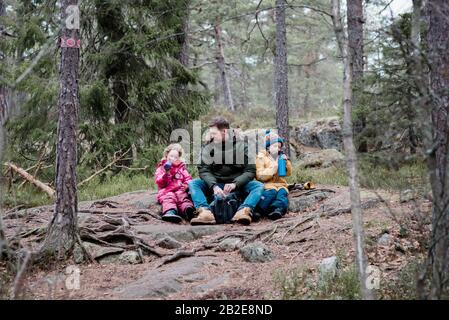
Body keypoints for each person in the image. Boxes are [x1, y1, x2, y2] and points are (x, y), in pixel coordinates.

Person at [188, 116, 264, 225]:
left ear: (224, 131)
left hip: (237, 185)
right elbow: (203, 169)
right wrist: (214, 186)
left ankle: (243, 212)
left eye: (214, 133)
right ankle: (205, 213)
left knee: (258, 186)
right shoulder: (208, 146)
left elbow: (250, 170)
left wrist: (235, 184)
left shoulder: (242, 145)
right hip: (215, 185)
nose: (211, 136)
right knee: (193, 183)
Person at [154, 143, 195, 223]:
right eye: (171, 156)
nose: (173, 159)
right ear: (167, 155)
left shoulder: (181, 168)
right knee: (169, 198)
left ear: (179, 158)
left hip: (179, 189)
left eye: (176, 157)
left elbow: (188, 178)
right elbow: (159, 182)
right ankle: (170, 212)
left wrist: (187, 185)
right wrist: (166, 173)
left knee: (183, 197)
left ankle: (188, 211)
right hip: (166, 190)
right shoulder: (161, 168)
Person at [255, 134, 292, 220]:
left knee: (282, 194)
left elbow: (288, 173)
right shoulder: (261, 157)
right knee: (270, 193)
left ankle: (277, 209)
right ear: (268, 146)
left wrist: (287, 163)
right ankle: (258, 210)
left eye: (279, 147)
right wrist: (273, 168)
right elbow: (260, 176)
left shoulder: (280, 157)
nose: (278, 149)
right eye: (275, 146)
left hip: (281, 184)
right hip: (267, 184)